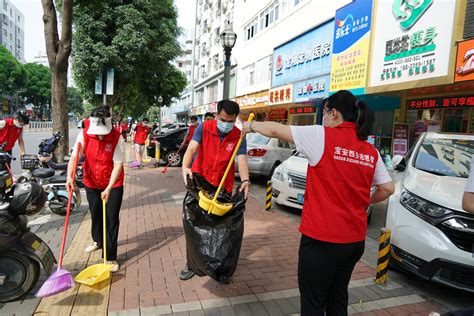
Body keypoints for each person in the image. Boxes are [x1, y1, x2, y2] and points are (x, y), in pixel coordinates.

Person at [242, 90, 395, 316]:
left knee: (314, 302)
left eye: (324, 112)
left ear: (333, 113)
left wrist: (249, 127)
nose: (323, 117)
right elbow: (387, 189)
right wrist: (363, 201)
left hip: (321, 241)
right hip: (353, 241)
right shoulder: (370, 150)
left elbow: (274, 129)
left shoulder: (322, 135)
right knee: (338, 296)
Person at [180, 100, 250, 281]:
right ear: (217, 115)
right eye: (224, 119)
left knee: (222, 230)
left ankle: (221, 268)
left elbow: (241, 160)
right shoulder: (204, 128)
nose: (226, 124)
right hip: (200, 183)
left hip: (222, 186)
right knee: (193, 225)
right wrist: (185, 166)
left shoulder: (238, 135)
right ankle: (192, 264)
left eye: (231, 121)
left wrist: (245, 180)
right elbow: (192, 148)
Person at [66, 105, 125, 272]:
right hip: (91, 181)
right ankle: (98, 241)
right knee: (96, 212)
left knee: (111, 218)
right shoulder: (84, 133)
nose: (99, 135)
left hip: (113, 183)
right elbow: (75, 156)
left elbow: (118, 165)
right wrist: (70, 176)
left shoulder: (116, 137)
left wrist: (108, 188)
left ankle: (110, 256)